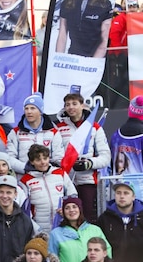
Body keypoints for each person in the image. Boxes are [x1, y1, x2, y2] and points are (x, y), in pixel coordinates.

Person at [53, 93, 111, 221]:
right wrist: (66, 162)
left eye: (74, 104)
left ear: (82, 105)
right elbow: (55, 154)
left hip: (87, 181)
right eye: (67, 105)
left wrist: (89, 163)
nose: (71, 107)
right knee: (67, 218)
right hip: (66, 180)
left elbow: (106, 157)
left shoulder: (95, 127)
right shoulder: (58, 127)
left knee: (86, 218)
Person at [96, 180, 143, 262]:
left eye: (126, 193)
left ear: (133, 196)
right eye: (118, 193)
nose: (122, 196)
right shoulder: (104, 218)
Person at [19, 144, 76, 234]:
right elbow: (24, 207)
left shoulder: (60, 173)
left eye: (45, 158)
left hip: (62, 222)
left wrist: (66, 208)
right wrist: (35, 228)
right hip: (39, 227)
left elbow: (73, 195)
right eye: (38, 160)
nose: (43, 162)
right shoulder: (25, 180)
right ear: (32, 162)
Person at [48, 197, 110, 262]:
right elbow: (51, 259)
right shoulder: (55, 234)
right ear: (63, 212)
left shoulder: (95, 230)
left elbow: (107, 251)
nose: (71, 210)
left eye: (74, 206)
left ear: (80, 209)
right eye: (67, 208)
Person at [6, 94, 64, 175]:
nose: (29, 111)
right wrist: (26, 168)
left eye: (33, 108)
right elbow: (10, 158)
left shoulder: (53, 132)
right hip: (23, 178)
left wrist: (46, 169)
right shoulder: (15, 132)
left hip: (47, 178)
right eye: (26, 108)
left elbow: (58, 158)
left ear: (40, 111)